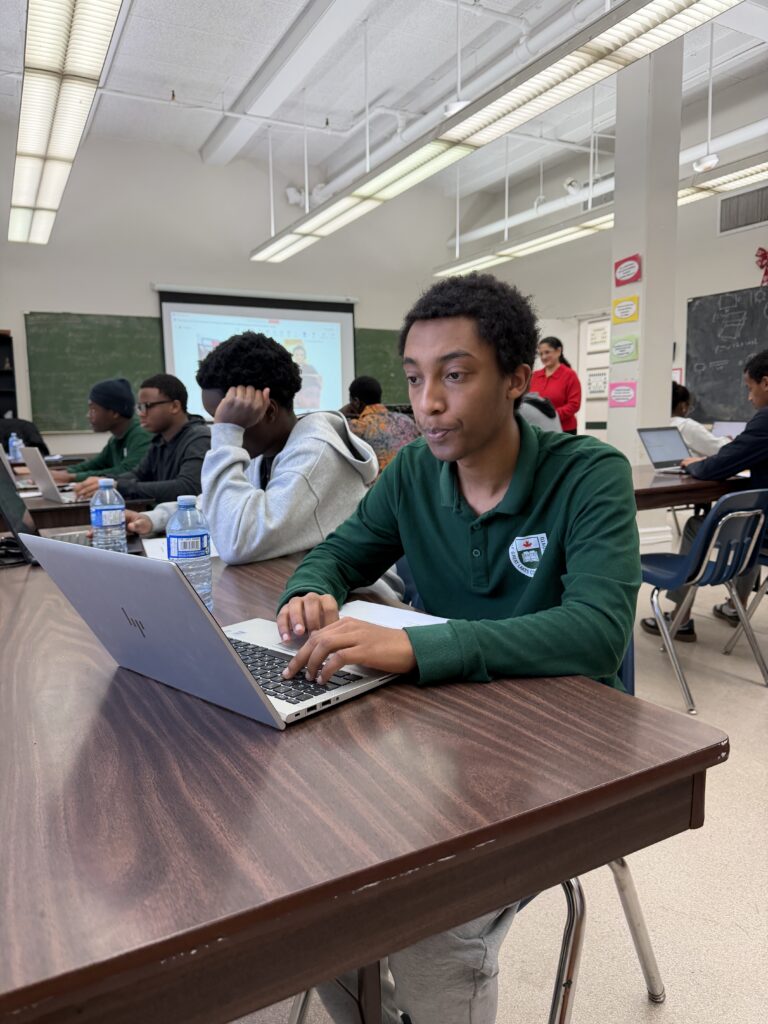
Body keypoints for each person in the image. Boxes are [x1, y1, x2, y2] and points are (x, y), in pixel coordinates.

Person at [273, 273, 641, 1024]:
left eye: (455, 375)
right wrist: (308, 591)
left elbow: (598, 630)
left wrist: (420, 648)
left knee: (433, 924)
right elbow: (336, 553)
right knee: (309, 879)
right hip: (443, 736)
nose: (429, 403)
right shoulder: (412, 471)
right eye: (415, 379)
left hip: (566, 746)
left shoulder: (589, 475)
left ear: (515, 380)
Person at [126, 333, 378, 563]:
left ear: (266, 411)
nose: (218, 428)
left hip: (360, 599)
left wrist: (229, 433)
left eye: (225, 418)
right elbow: (218, 507)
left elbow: (238, 543)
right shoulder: (267, 448)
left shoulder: (315, 456)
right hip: (297, 586)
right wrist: (154, 519)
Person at [641, 349, 768, 639]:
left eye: (750, 389)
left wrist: (698, 465)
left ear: (766, 383)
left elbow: (718, 466)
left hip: (764, 529)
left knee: (700, 526)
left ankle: (681, 618)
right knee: (750, 519)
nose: (749, 398)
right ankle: (736, 607)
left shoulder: (765, 421)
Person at [77, 374, 210, 503]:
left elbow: (187, 488)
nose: (141, 413)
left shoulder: (199, 438)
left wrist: (119, 486)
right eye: (139, 408)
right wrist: (105, 482)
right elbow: (138, 474)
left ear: (174, 406)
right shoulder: (160, 440)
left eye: (147, 406)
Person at [47, 378, 152, 499]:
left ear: (114, 413)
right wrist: (65, 473)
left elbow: (125, 471)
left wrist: (73, 477)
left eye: (93, 409)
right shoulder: (115, 439)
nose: (88, 415)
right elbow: (96, 464)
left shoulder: (141, 435)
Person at [343, 376, 421, 473]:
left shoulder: (357, 427)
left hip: (383, 486)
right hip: (414, 483)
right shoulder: (406, 421)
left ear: (356, 402)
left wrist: (341, 413)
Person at [529, 336, 581, 433]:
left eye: (547, 352)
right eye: (541, 354)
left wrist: (553, 415)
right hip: (539, 428)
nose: (544, 357)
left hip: (565, 430)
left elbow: (574, 404)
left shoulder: (569, 375)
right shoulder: (535, 376)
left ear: (558, 351)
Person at [670, 381, 729, 458]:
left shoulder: (663, 423)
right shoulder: (686, 425)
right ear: (683, 406)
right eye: (689, 407)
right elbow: (717, 448)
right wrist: (728, 440)